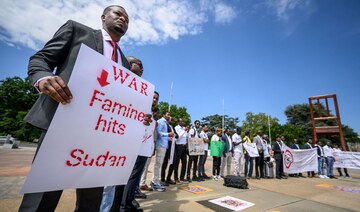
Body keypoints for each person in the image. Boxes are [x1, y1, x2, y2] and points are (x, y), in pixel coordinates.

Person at [19, 5, 132, 212]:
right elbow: (40, 59)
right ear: (103, 16)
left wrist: (135, 116)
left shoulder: (124, 63)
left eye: (127, 17)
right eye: (118, 14)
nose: (123, 18)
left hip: (100, 136)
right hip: (63, 125)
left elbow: (122, 101)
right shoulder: (77, 31)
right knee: (42, 198)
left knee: (91, 201)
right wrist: (43, 78)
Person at [151, 112, 174, 190]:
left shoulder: (165, 123)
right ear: (163, 115)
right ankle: (155, 182)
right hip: (160, 145)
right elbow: (159, 132)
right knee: (158, 164)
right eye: (168, 114)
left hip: (164, 145)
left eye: (169, 115)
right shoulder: (161, 121)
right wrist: (168, 134)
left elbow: (163, 135)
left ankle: (155, 181)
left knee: (159, 164)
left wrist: (168, 137)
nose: (169, 116)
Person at [173, 118, 190, 183]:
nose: (182, 122)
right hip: (178, 146)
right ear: (178, 121)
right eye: (181, 121)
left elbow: (186, 137)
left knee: (184, 162)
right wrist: (184, 131)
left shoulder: (183, 128)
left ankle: (182, 177)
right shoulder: (176, 128)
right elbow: (178, 137)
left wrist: (187, 131)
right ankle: (176, 178)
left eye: (183, 121)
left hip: (184, 147)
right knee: (176, 163)